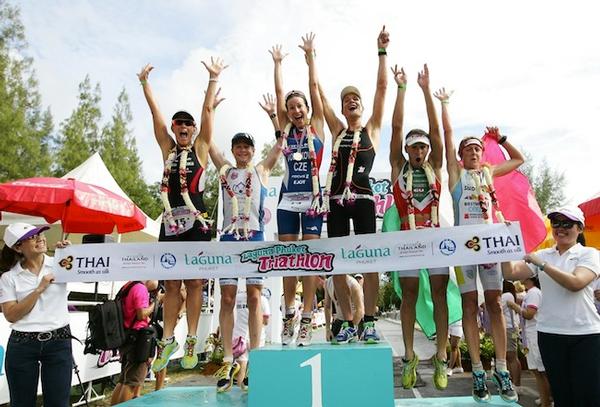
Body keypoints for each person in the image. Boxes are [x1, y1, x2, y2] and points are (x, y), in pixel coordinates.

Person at [138, 57, 227, 372]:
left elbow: (207, 113)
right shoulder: (168, 149)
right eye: (180, 125)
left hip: (197, 222)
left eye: (188, 124)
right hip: (171, 222)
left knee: (195, 281)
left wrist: (213, 79)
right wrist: (145, 83)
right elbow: (156, 116)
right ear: (175, 130)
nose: (184, 128)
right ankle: (168, 338)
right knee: (171, 285)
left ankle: (191, 337)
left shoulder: (201, 148)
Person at [436, 87, 524, 403]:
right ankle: (476, 371)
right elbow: (446, 137)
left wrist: (499, 139)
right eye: (468, 150)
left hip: (490, 246)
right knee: (470, 306)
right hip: (463, 248)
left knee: (496, 303)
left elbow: (518, 159)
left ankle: (500, 368)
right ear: (461, 157)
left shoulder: (488, 173)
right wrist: (444, 104)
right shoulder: (457, 174)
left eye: (477, 150)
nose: (474, 153)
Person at [318, 26, 389, 344]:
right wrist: (310, 59)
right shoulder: (336, 130)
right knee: (336, 263)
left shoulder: (372, 128)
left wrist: (382, 52)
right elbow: (317, 94)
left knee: (369, 259)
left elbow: (382, 89)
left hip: (362, 198)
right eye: (346, 99)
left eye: (355, 98)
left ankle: (370, 320)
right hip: (335, 199)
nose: (351, 102)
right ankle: (347, 321)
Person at [209, 91, 283, 393]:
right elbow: (208, 143)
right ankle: (228, 357)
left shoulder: (261, 170)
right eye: (238, 145)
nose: (242, 149)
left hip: (253, 237)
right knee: (227, 299)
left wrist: (272, 116)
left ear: (252, 151)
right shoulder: (225, 170)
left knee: (254, 298)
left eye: (247, 146)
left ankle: (253, 357)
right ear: (233, 149)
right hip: (228, 238)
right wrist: (210, 110)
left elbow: (280, 146)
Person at [502, 205, 600, 406]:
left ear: (579, 228)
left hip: (585, 334)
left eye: (567, 223)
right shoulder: (544, 254)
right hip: (549, 334)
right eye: (556, 222)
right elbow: (510, 273)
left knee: (587, 395)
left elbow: (576, 283)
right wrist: (503, 242)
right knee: (562, 395)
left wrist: (542, 265)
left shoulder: (590, 254)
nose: (560, 228)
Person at [389, 63, 449, 390]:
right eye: (414, 146)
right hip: (409, 242)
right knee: (409, 294)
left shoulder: (434, 165)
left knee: (439, 292)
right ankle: (410, 355)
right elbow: (397, 126)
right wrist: (402, 90)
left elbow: (436, 132)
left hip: (437, 240)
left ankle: (441, 356)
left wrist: (427, 91)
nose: (420, 150)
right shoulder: (399, 165)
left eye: (423, 146)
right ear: (407, 150)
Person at [270, 33, 326, 347]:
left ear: (307, 109)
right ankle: (289, 312)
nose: (295, 110)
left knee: (309, 257)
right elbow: (279, 93)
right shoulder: (284, 131)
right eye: (290, 107)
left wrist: (310, 57)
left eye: (299, 105)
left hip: (313, 201)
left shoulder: (316, 127)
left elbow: (315, 89)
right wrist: (278, 64)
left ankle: (307, 317)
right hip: (287, 200)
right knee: (290, 257)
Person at [0, 223, 71, 407]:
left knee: (59, 404)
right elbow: (11, 315)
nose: (40, 238)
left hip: (59, 342)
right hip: (22, 345)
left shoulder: (61, 263)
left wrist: (72, 254)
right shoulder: (9, 278)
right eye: (32, 237)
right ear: (18, 247)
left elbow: (92, 272)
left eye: (40, 234)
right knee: (21, 404)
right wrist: (39, 289)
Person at [111, 280, 161, 405]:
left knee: (123, 380)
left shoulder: (128, 286)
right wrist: (156, 302)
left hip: (127, 336)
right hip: (139, 339)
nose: (157, 287)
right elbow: (141, 314)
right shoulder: (140, 288)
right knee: (132, 383)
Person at [506, 276, 551, 406]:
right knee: (536, 371)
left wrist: (515, 306)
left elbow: (529, 314)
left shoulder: (534, 292)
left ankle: (548, 400)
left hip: (535, 333)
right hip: (529, 334)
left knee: (541, 371)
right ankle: (545, 399)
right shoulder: (530, 293)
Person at [324, 275, 364, 342]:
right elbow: (327, 306)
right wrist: (328, 329)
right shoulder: (328, 282)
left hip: (355, 321)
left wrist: (351, 328)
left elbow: (360, 310)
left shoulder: (353, 284)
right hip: (339, 321)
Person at [501, 280, 522, 388]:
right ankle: (512, 381)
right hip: (509, 328)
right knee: (510, 357)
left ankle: (516, 383)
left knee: (512, 356)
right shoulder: (508, 295)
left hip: (510, 328)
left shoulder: (507, 295)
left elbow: (497, 306)